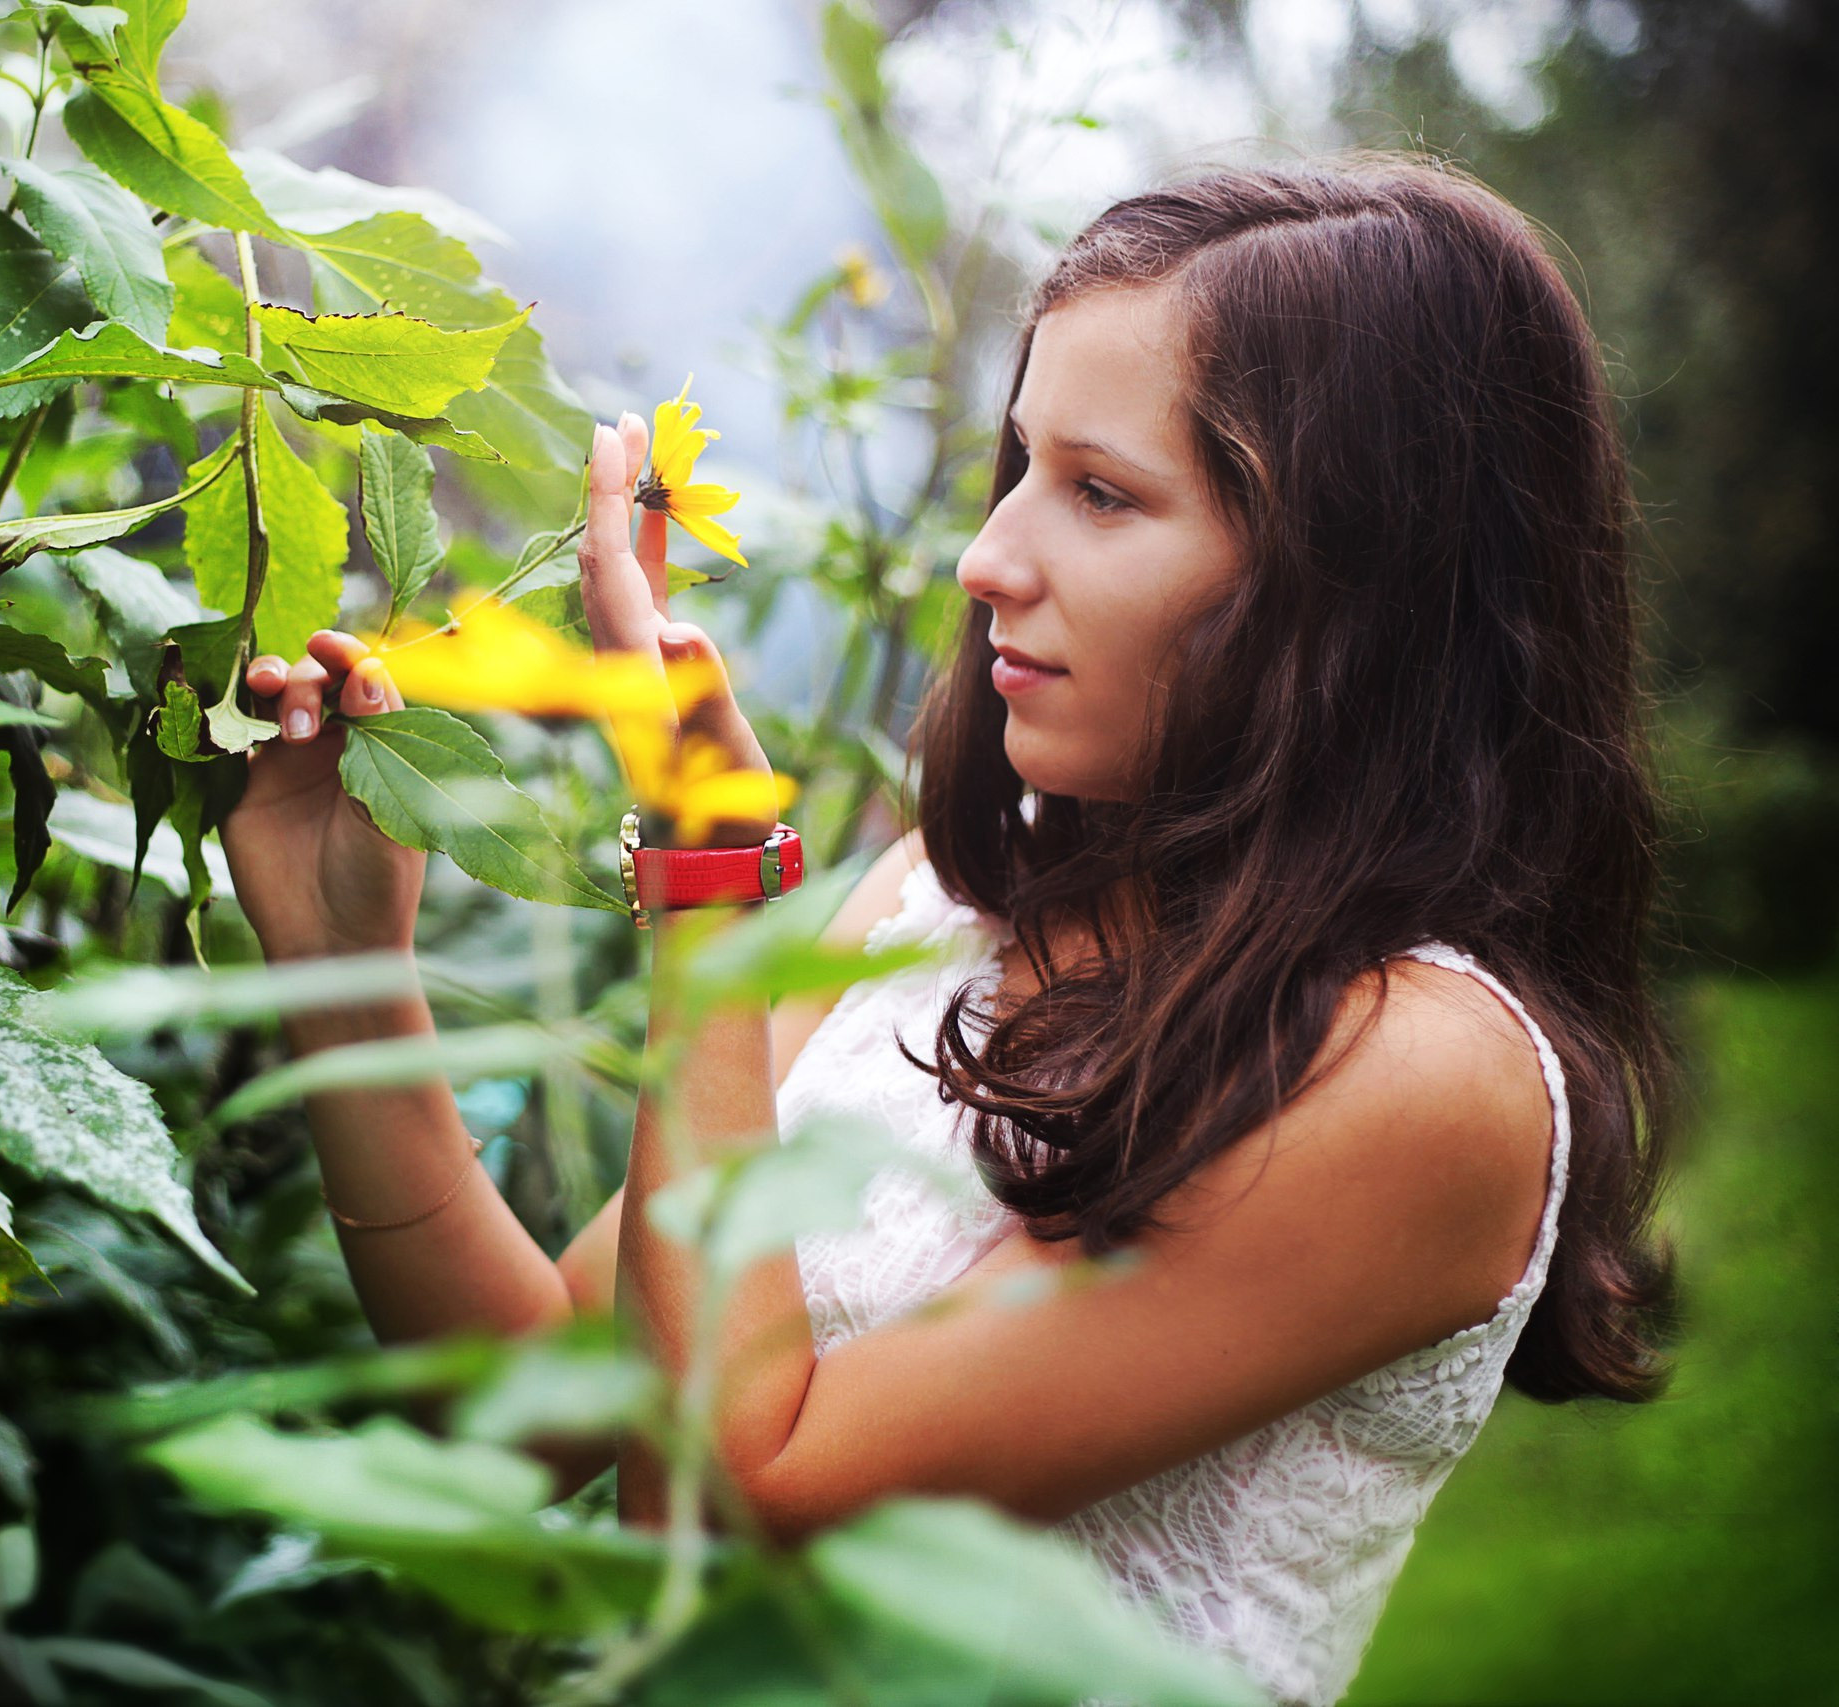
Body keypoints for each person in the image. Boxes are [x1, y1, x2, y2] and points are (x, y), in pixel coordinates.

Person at [217, 153, 1677, 1707]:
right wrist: (351, 970)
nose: (990, 560)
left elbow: (715, 1533)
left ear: (1353, 585)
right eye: (1024, 465)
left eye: (1105, 493)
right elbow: (523, 1406)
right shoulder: (940, 901)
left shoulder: (1422, 1076)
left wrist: (706, 886)